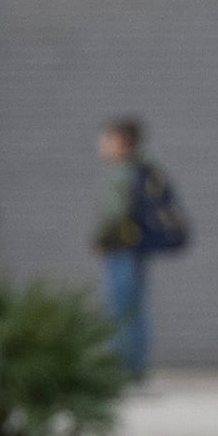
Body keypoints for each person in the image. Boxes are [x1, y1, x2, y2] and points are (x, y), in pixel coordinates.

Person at [88, 116, 189, 381]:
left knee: (121, 308)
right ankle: (135, 366)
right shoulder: (143, 168)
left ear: (121, 142)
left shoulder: (120, 171)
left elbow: (114, 213)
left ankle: (119, 368)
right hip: (138, 246)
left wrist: (100, 240)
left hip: (121, 247)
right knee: (136, 308)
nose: (101, 143)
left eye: (107, 138)